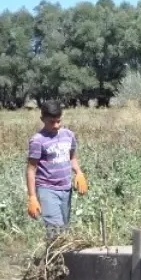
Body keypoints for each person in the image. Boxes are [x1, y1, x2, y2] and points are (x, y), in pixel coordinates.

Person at [26, 100, 87, 242]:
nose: (56, 125)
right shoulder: (37, 140)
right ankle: (55, 262)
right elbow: (31, 169)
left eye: (58, 121)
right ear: (42, 119)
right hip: (47, 189)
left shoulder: (68, 135)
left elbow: (72, 157)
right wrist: (32, 197)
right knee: (56, 230)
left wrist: (79, 172)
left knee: (64, 230)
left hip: (66, 189)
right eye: (51, 122)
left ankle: (54, 260)